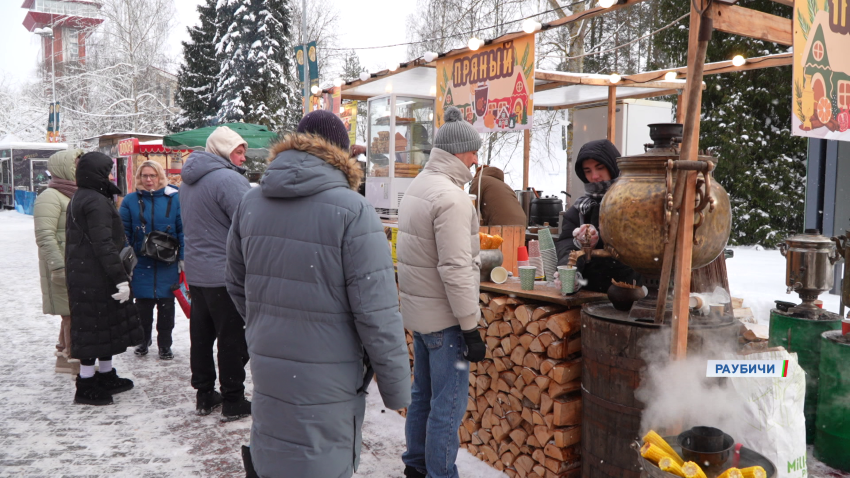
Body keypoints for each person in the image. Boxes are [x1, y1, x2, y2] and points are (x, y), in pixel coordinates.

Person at [226, 109, 411, 477]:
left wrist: (268, 324)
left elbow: (235, 281)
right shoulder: (354, 211)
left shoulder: (252, 202)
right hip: (331, 371)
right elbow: (376, 311)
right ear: (341, 153)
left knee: (275, 451)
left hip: (270, 362)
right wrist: (397, 390)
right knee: (321, 458)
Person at [396, 106, 487, 478]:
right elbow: (455, 269)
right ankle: (439, 474)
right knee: (447, 407)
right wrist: (470, 326)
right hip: (447, 323)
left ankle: (416, 467)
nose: (476, 160)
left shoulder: (420, 185)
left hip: (421, 317)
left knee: (422, 399)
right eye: (472, 153)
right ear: (458, 153)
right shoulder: (450, 199)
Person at [179, 126, 252, 420]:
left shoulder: (188, 182)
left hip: (197, 273)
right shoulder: (228, 180)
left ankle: (205, 394)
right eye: (238, 151)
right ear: (223, 151)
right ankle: (233, 399)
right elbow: (249, 224)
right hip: (225, 273)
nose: (243, 157)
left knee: (202, 336)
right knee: (232, 338)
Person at [65, 152, 143, 406]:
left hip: (90, 274)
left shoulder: (87, 196)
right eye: (107, 171)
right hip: (94, 277)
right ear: (96, 173)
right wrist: (120, 277)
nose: (110, 175)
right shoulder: (95, 200)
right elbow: (103, 244)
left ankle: (106, 374)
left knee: (105, 327)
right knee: (92, 329)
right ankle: (86, 384)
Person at [555, 139, 641, 292]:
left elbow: (638, 244)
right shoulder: (580, 209)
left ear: (613, 166)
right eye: (587, 171)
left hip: (629, 291)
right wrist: (572, 271)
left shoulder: (633, 202)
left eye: (599, 168)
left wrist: (599, 238)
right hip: (589, 292)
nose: (594, 176)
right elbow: (566, 244)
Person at [119, 160, 183, 360]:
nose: (148, 180)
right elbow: (123, 232)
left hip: (167, 263)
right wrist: (127, 258)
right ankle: (142, 340)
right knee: (142, 307)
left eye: (152, 175)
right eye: (144, 176)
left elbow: (183, 229)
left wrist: (183, 257)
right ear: (139, 178)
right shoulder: (130, 200)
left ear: (159, 177)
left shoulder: (174, 199)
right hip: (142, 263)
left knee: (166, 307)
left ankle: (165, 344)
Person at [34, 148, 83, 374]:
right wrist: (58, 265)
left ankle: (64, 361)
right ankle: (77, 365)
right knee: (73, 314)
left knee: (70, 313)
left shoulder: (72, 193)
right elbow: (45, 235)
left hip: (74, 263)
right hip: (63, 265)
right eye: (76, 164)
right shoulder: (50, 196)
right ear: (65, 167)